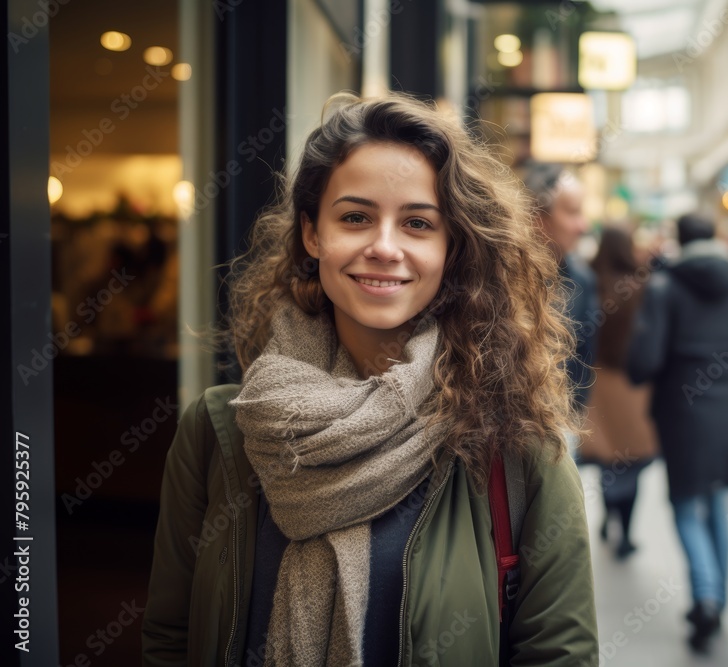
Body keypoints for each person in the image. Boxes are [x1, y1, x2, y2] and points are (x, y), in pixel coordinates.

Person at [141, 93, 599, 667]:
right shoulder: (219, 431)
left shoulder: (516, 443)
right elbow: (169, 640)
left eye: (417, 223)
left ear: (451, 247)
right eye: (355, 217)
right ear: (312, 234)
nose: (384, 247)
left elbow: (559, 656)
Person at [627, 214, 728, 651]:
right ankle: (719, 601)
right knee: (717, 505)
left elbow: (645, 361)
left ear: (679, 241)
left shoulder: (665, 288)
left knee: (687, 507)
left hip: (682, 414)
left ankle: (705, 598)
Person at [579, 227, 658, 560]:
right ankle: (625, 532)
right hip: (633, 384)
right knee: (631, 460)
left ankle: (609, 517)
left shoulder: (589, 282)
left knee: (607, 456)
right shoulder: (642, 286)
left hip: (598, 382)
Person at [520, 161, 598, 412]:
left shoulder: (581, 279)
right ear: (538, 217)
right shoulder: (495, 276)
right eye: (573, 212)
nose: (583, 225)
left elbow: (582, 361)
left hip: (558, 422)